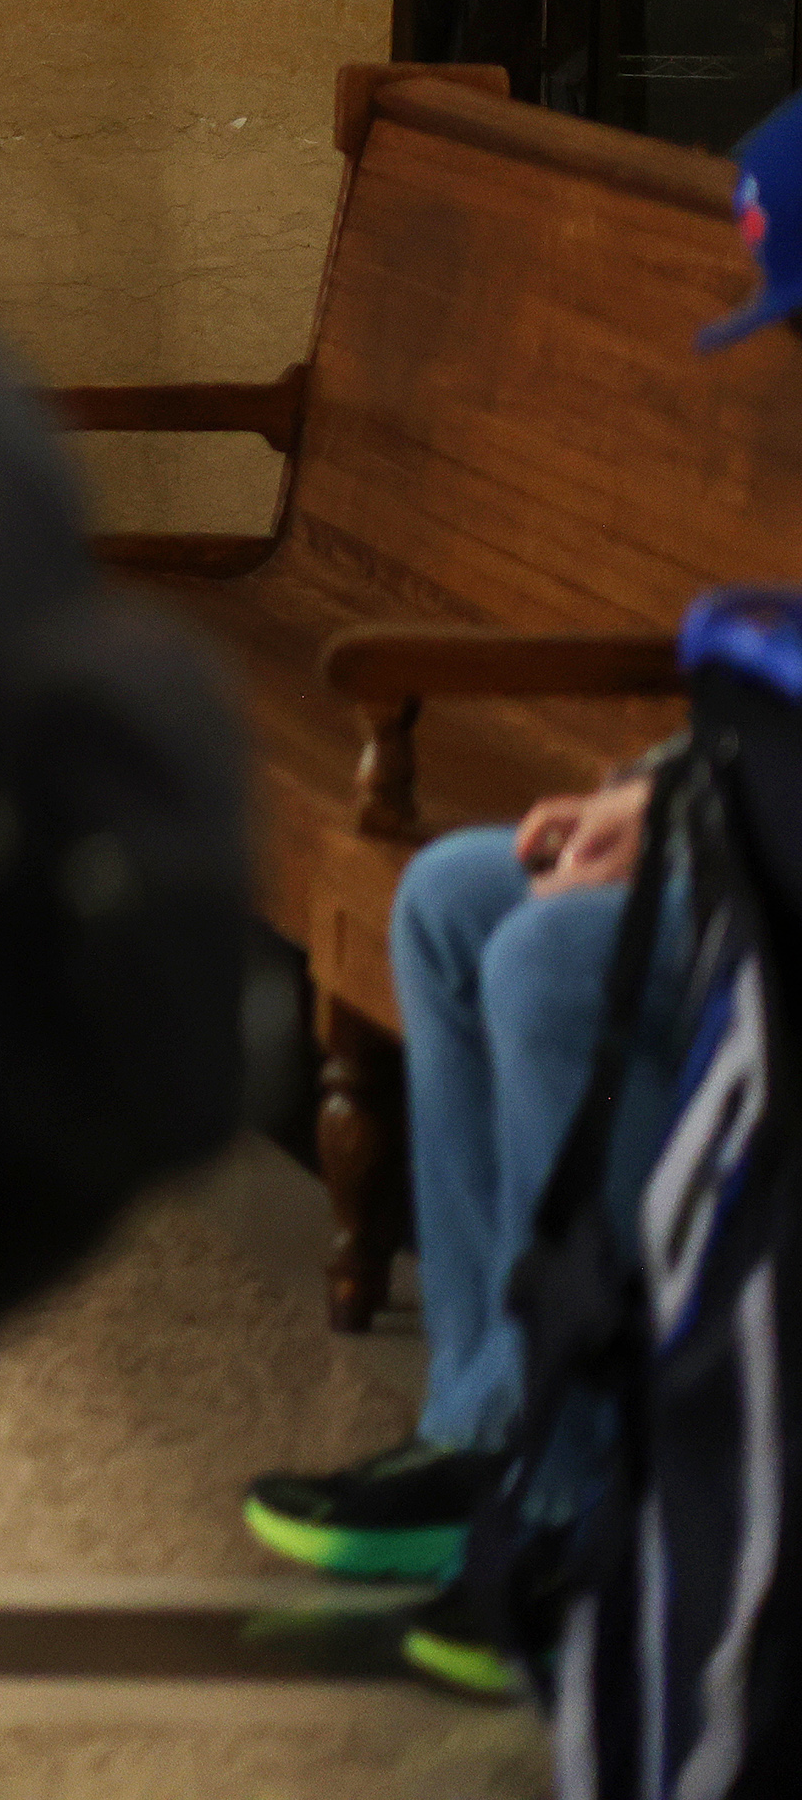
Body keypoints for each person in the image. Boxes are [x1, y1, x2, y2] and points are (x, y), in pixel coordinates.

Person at [234, 90, 802, 1695]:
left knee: (558, 961)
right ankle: (487, 1422)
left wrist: (687, 829)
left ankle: (592, 1473)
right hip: (755, 831)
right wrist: (647, 788)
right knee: (461, 889)